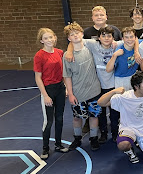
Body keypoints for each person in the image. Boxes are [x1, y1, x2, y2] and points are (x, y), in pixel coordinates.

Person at [63, 22, 102, 151]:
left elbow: (104, 42)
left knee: (94, 116)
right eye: (71, 35)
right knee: (77, 117)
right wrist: (70, 93)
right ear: (68, 38)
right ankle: (77, 138)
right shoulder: (67, 56)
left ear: (82, 34)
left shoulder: (89, 46)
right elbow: (67, 75)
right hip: (78, 92)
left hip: (94, 90)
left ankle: (94, 138)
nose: (75, 36)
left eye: (77, 33)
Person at [34, 28, 69, 159]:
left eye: (51, 37)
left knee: (59, 118)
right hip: (48, 90)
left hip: (59, 88)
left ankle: (58, 144)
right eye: (46, 38)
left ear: (55, 38)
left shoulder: (60, 52)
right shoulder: (39, 55)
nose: (49, 40)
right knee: (48, 121)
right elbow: (38, 77)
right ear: (42, 40)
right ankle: (45, 148)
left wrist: (65, 87)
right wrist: (45, 95)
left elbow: (64, 72)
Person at [106, 27, 141, 91]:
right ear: (122, 39)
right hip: (121, 79)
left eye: (131, 37)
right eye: (126, 37)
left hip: (133, 76)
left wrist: (136, 51)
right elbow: (108, 69)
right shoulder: (119, 51)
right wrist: (114, 55)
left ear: (135, 38)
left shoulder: (138, 46)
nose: (129, 39)